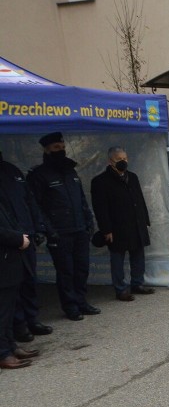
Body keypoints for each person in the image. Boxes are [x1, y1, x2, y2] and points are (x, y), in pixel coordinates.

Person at [27, 132, 100, 321]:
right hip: (60, 232)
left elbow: (81, 199)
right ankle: (70, 306)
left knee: (82, 268)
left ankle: (82, 302)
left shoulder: (70, 171)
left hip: (79, 229)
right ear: (46, 150)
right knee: (66, 271)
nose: (61, 150)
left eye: (62, 147)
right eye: (56, 148)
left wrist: (88, 221)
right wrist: (49, 230)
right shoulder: (39, 175)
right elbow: (36, 206)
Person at [0, 151, 53, 342]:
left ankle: (32, 319)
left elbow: (30, 201)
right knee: (13, 286)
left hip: (26, 235)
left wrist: (38, 227)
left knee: (30, 281)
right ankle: (19, 326)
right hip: (10, 241)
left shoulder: (12, 171)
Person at [90, 147, 154, 302]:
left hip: (136, 224)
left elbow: (139, 200)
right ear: (110, 161)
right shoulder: (100, 181)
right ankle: (120, 289)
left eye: (125, 159)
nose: (123, 162)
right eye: (119, 160)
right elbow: (100, 208)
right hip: (116, 227)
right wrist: (106, 229)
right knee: (117, 259)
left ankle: (137, 284)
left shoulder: (132, 177)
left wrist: (145, 220)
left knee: (138, 255)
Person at [0, 197, 36, 369]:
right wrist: (18, 239)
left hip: (9, 262)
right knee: (2, 312)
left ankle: (10, 346)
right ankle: (3, 353)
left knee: (8, 310)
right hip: (3, 263)